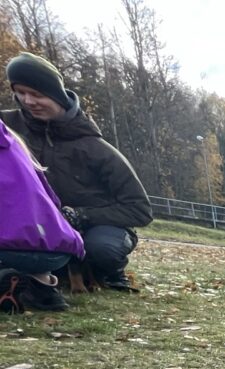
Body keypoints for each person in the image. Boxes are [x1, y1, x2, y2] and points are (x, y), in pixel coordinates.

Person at [2, 52, 152, 292]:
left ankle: (109, 272)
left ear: (56, 94)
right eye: (20, 92)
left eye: (37, 94)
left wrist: (80, 215)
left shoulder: (97, 149)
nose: (28, 101)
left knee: (102, 248)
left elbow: (140, 209)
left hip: (93, 226)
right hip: (29, 222)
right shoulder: (7, 128)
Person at [0, 117, 83, 311]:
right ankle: (42, 285)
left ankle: (8, 278)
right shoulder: (15, 141)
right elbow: (52, 199)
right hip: (56, 251)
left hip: (8, 248)